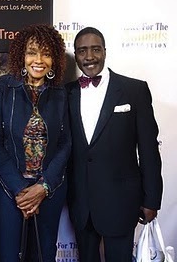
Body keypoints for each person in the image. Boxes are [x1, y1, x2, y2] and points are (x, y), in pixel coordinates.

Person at [65, 27, 163, 262]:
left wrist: (151, 199)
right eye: (82, 51)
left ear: (105, 52)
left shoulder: (134, 90)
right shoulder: (64, 93)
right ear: (76, 56)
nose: (89, 57)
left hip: (122, 201)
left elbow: (149, 149)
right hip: (81, 203)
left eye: (95, 49)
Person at [0, 24, 71, 262]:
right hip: (9, 189)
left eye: (46, 53)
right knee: (9, 256)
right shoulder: (5, 87)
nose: (39, 60)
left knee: (43, 255)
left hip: (49, 190)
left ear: (54, 58)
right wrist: (21, 191)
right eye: (32, 52)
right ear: (22, 56)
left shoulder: (61, 93)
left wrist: (42, 188)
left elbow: (65, 143)